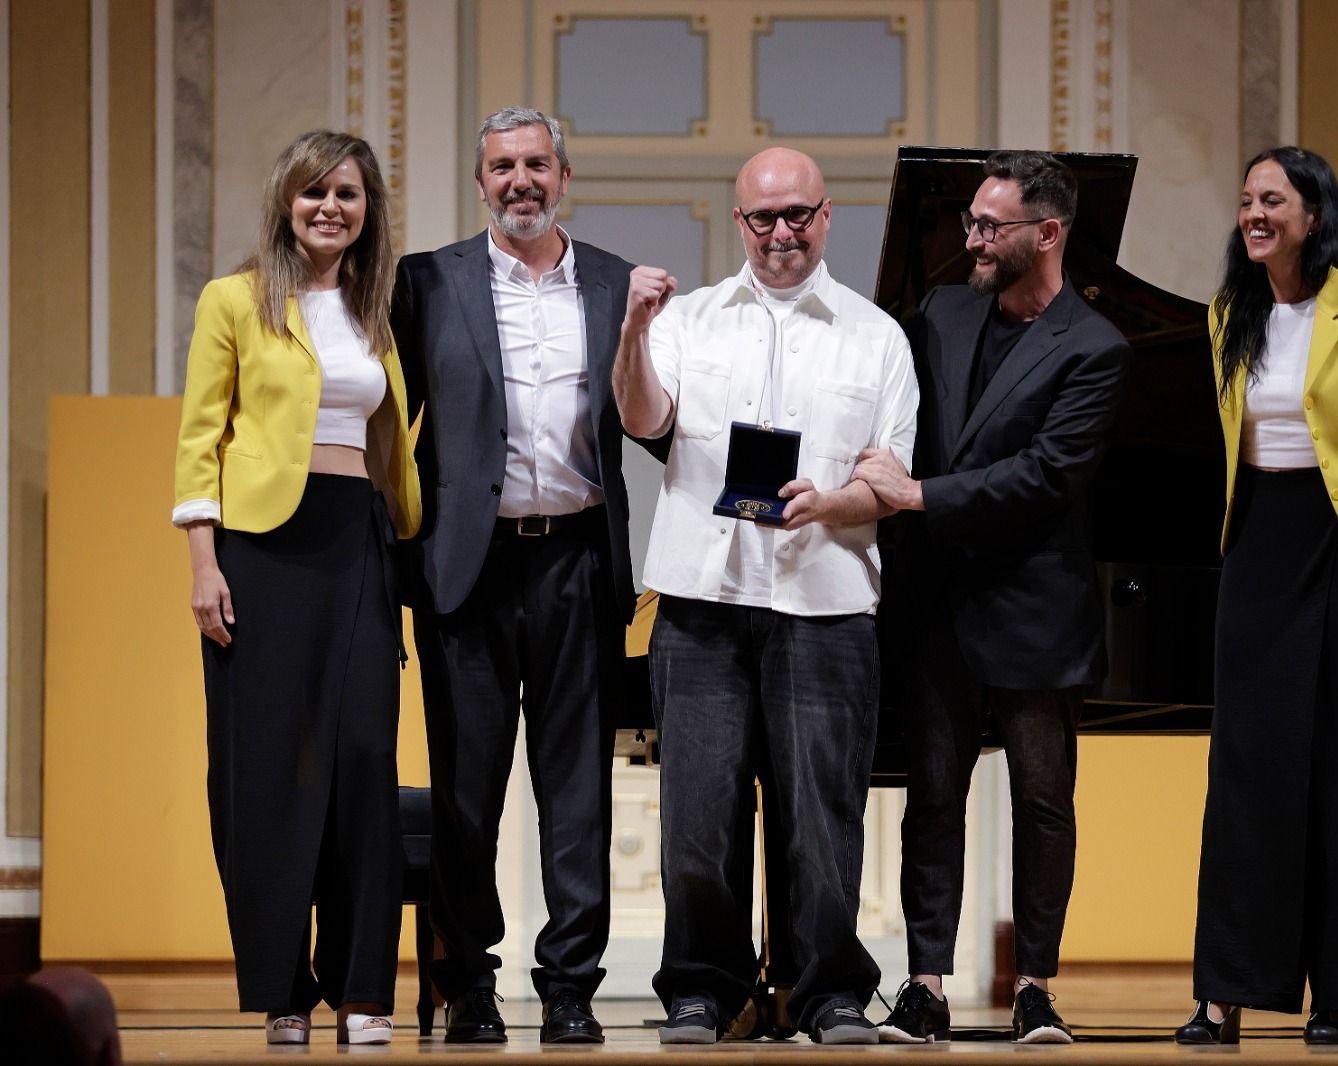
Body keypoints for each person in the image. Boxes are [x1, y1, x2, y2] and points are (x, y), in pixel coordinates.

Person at [612, 147, 918, 1046]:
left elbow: (889, 481)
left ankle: (825, 994)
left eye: (797, 215)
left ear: (827, 218)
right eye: (762, 218)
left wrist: (832, 504)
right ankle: (706, 990)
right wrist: (633, 329)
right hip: (702, 606)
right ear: (739, 220)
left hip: (825, 602)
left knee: (823, 818)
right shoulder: (689, 321)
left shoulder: (877, 338)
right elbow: (643, 420)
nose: (780, 233)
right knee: (698, 815)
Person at [853, 150, 1130, 1044]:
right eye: (971, 220)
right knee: (933, 797)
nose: (970, 238)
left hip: (1034, 607)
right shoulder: (941, 312)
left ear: (1046, 234)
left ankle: (1036, 986)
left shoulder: (1096, 348)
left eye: (988, 226)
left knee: (1044, 803)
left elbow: (1047, 477)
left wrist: (921, 496)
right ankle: (925, 982)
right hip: (938, 603)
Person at [390, 107, 646, 1045]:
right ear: (480, 182)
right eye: (502, 167)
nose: (520, 181)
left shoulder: (618, 283)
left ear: (564, 176)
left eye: (536, 164)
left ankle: (572, 985)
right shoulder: (427, 282)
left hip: (579, 558)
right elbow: (389, 426)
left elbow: (657, 421)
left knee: (575, 787)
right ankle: (471, 984)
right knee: (466, 789)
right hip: (468, 568)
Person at [1173, 146, 1338, 1047]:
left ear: (1313, 214)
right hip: (1257, 553)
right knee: (1246, 775)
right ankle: (1224, 994)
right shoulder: (1224, 317)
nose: (1253, 213)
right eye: (1245, 199)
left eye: (1271, 199)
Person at [173, 130, 421, 1047]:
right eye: (315, 191)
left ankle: (363, 991)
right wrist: (204, 565)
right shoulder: (233, 299)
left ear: (368, 210)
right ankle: (282, 988)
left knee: (362, 764)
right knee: (270, 768)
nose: (330, 207)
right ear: (286, 200)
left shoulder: (377, 309)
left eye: (348, 194)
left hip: (359, 542)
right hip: (260, 553)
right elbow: (200, 438)